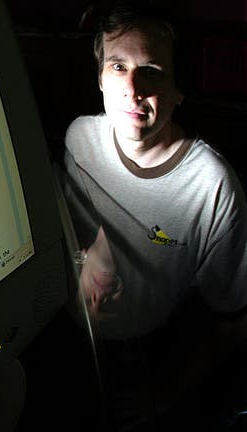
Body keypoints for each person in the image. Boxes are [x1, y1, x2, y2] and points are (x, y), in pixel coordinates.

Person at [60, 1, 247, 429]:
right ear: (100, 79)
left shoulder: (213, 187)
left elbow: (233, 324)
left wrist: (166, 394)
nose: (132, 88)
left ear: (180, 90)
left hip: (149, 355)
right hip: (69, 335)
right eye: (118, 67)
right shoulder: (78, 139)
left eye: (152, 71)